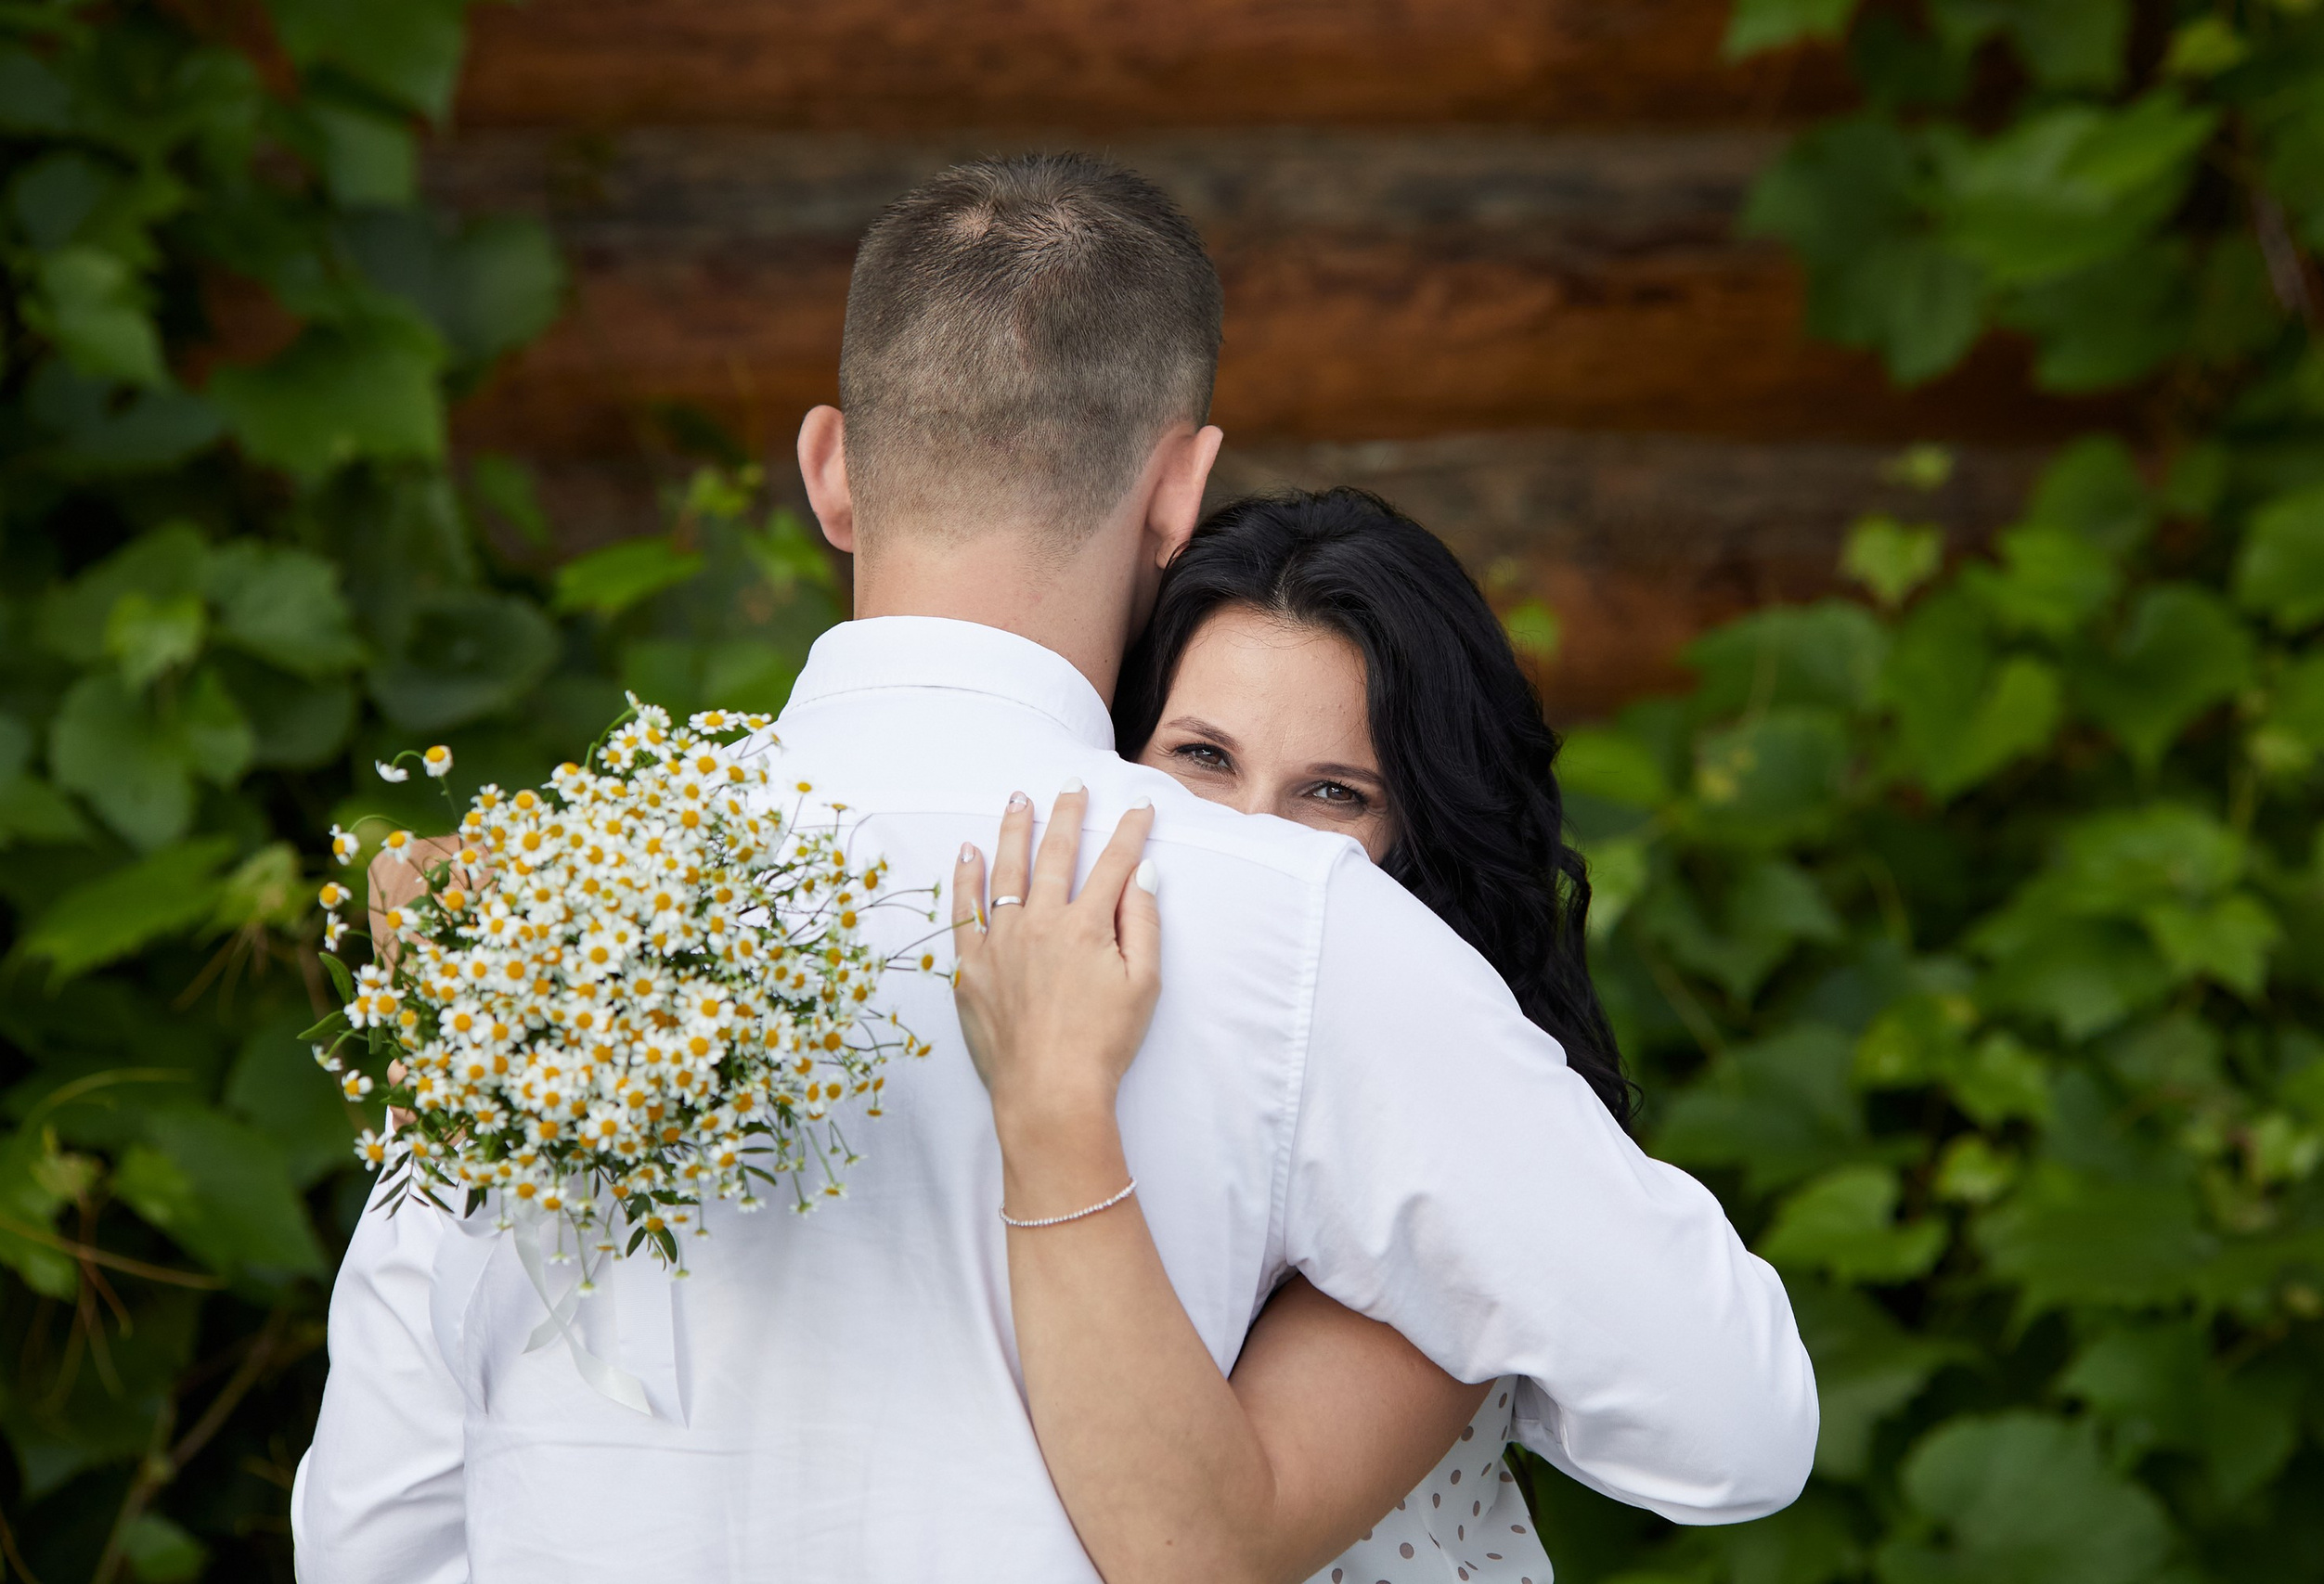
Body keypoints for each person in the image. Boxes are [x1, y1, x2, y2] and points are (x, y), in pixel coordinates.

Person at [293, 153, 1814, 1583]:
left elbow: (381, 1519)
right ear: (1177, 490)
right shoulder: (1302, 936)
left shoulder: (549, 929)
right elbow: (1734, 1420)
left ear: (829, 467)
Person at [948, 485, 1640, 1582]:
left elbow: (1204, 1555)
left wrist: (1051, 1109)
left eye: (1331, 793)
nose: (1249, 847)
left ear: (1417, 838)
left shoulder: (1444, 1130)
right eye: (1202, 760)